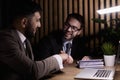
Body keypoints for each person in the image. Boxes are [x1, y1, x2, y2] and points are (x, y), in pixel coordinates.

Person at [0, 0, 73, 80]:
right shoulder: (5, 39)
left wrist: (60, 62)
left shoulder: (25, 40)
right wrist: (59, 58)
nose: (40, 25)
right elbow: (33, 70)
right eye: (37, 20)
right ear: (24, 22)